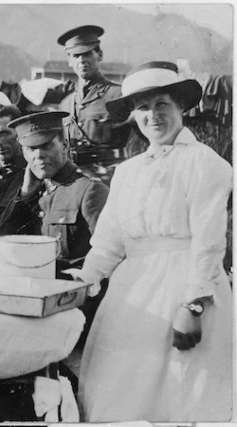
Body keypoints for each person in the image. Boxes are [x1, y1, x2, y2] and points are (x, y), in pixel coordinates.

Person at [74, 61, 232, 422]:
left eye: (162, 104)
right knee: (122, 390)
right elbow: (109, 241)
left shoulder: (204, 163)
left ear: (180, 107)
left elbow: (209, 242)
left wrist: (192, 307)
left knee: (180, 392)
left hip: (184, 286)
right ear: (132, 115)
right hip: (133, 293)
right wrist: (82, 282)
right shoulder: (129, 170)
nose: (153, 115)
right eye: (143, 107)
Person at [0, 111, 109, 277]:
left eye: (47, 146)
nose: (39, 155)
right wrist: (25, 195)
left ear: (64, 146)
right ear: (24, 152)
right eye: (31, 148)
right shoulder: (33, 189)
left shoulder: (89, 190)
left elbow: (107, 256)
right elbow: (1, 241)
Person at [57, 25, 132, 182]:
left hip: (111, 179)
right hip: (75, 180)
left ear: (100, 55)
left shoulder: (119, 95)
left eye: (87, 54)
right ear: (69, 61)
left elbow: (137, 144)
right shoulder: (65, 104)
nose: (82, 60)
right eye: (76, 56)